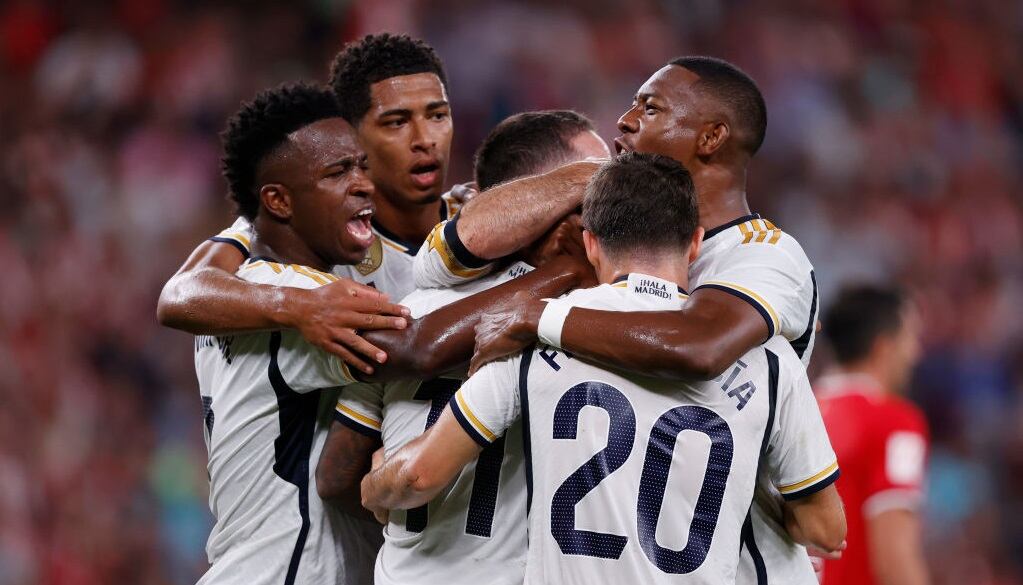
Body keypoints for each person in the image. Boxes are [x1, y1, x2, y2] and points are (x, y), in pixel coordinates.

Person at [414, 56, 828, 582]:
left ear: (711, 138)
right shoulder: (621, 222)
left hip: (738, 563)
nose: (625, 121)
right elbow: (440, 260)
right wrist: (582, 177)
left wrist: (541, 318)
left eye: (650, 108)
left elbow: (697, 346)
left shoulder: (764, 257)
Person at [317, 110, 611, 585]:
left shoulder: (411, 305)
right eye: (590, 182)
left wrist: (408, 523)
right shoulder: (590, 319)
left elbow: (335, 479)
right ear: (541, 195)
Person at [158, 33, 460, 376]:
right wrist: (301, 307)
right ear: (351, 134)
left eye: (437, 116)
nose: (425, 140)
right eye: (397, 122)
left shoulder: (482, 221)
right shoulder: (302, 228)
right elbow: (180, 294)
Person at [195, 82, 384, 585]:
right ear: (278, 201)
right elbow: (411, 345)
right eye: (338, 172)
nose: (364, 184)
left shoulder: (235, 294)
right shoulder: (301, 296)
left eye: (362, 166)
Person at [816, 285, 930, 585]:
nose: (916, 354)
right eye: (910, 339)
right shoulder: (895, 423)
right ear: (884, 347)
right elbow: (894, 555)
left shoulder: (795, 411)